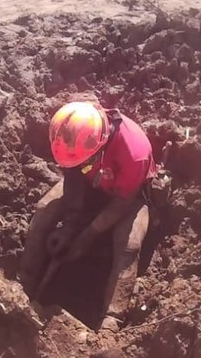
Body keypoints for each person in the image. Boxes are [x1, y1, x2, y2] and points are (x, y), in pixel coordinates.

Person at [20, 100, 157, 330]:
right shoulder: (73, 135)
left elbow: (122, 204)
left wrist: (87, 235)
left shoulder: (134, 153)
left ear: (100, 145)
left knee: (128, 246)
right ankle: (23, 284)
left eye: (85, 161)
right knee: (45, 210)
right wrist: (69, 226)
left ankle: (110, 322)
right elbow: (73, 178)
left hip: (128, 198)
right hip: (91, 186)